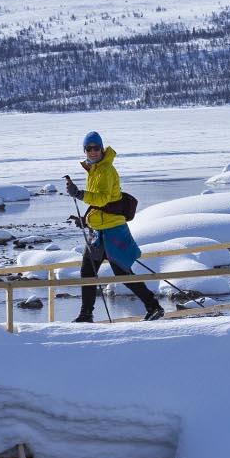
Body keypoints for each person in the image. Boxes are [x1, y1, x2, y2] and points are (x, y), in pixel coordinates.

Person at [66, 132, 166, 323]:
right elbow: (98, 203)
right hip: (99, 232)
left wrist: (79, 194)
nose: (93, 152)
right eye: (89, 148)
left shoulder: (105, 170)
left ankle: (153, 306)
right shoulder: (94, 170)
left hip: (112, 232)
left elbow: (102, 199)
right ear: (84, 150)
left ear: (102, 149)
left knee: (120, 273)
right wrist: (86, 219)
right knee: (89, 272)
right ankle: (86, 314)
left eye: (96, 148)